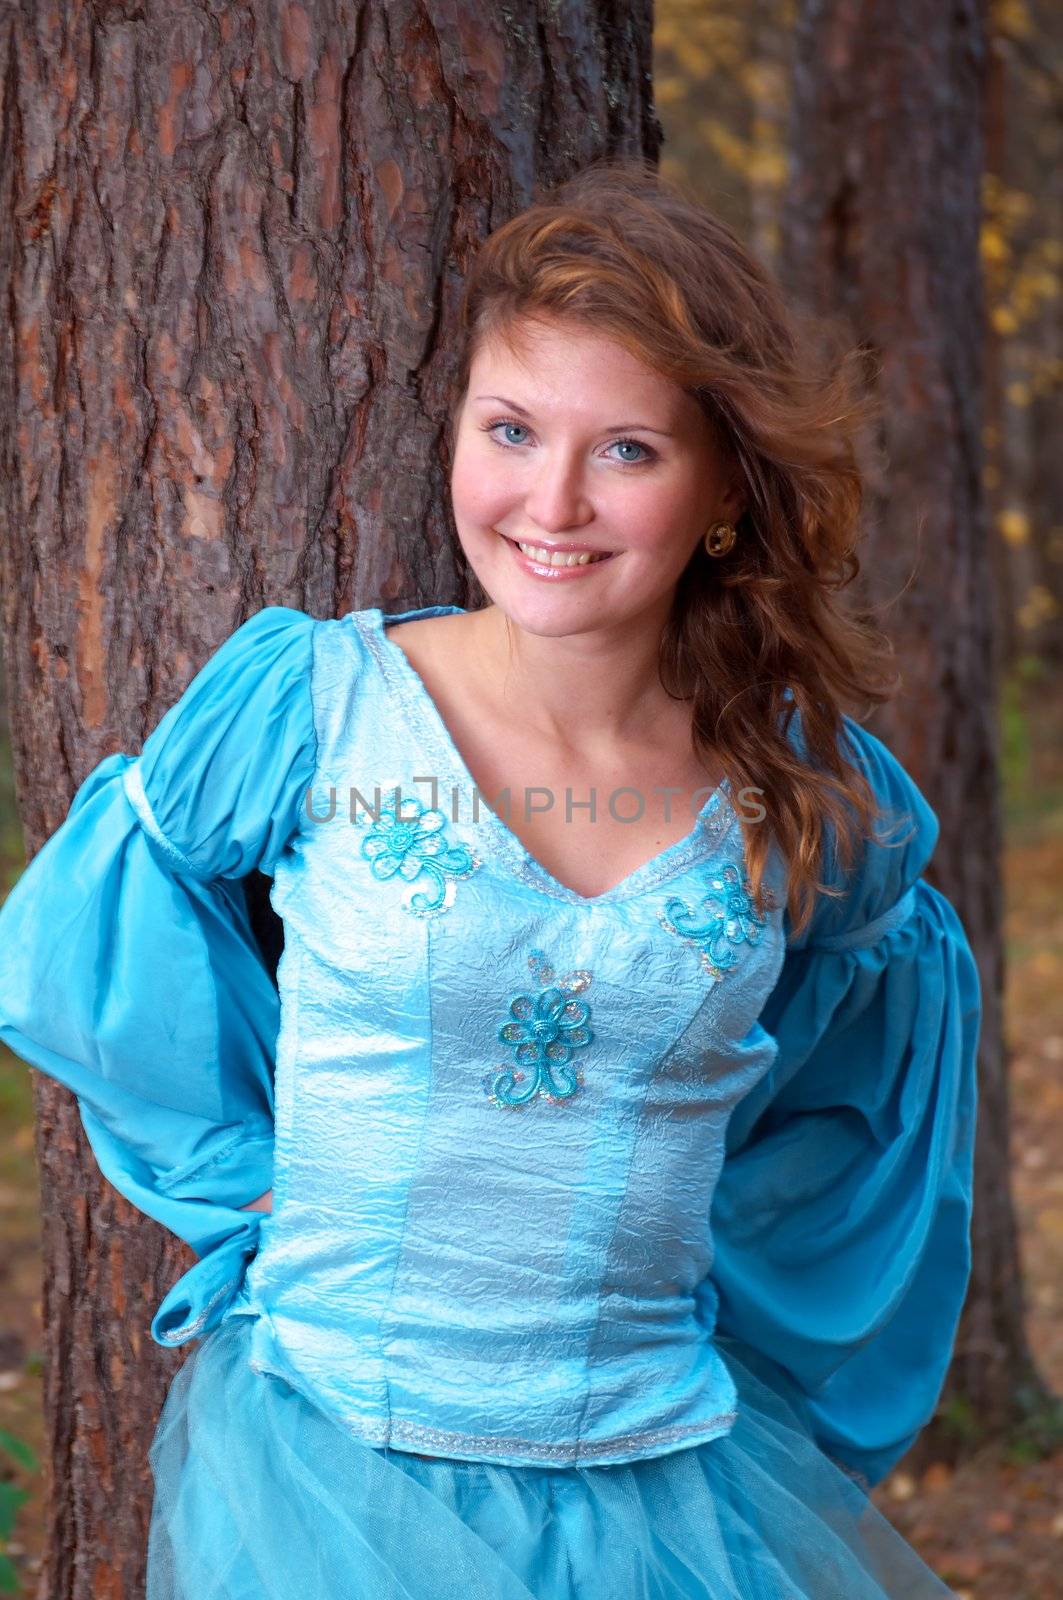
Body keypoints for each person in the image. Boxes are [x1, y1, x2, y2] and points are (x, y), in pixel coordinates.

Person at [0, 159, 980, 1598]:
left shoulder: (809, 793)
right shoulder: (318, 707)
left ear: (723, 487)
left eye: (629, 450)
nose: (554, 502)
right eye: (511, 430)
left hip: (663, 1483)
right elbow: (94, 933)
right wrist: (244, 1191)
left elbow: (872, 1069)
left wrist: (746, 1267)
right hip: (332, 1472)